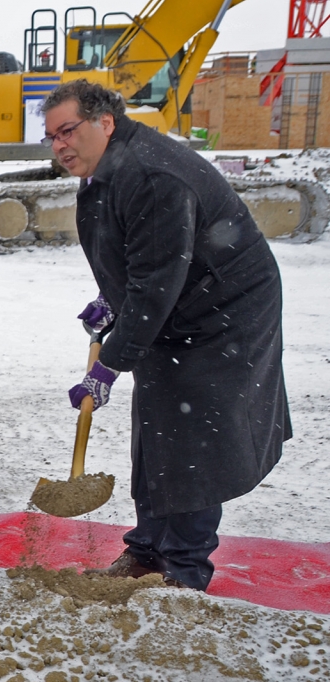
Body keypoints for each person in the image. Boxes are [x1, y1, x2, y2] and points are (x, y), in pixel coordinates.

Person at [44, 80, 290, 592]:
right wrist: (113, 299)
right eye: (51, 136)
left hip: (223, 315)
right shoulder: (106, 168)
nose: (59, 145)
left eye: (67, 131)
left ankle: (184, 571)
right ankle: (148, 551)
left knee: (193, 442)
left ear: (104, 123)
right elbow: (136, 257)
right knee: (158, 430)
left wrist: (109, 363)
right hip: (179, 305)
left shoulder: (151, 175)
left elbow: (156, 284)